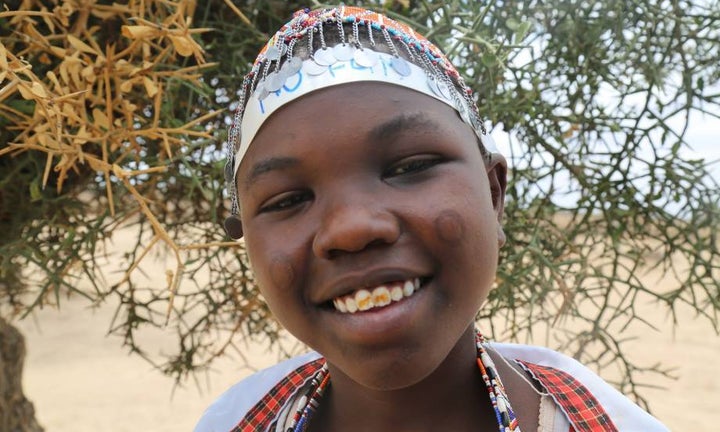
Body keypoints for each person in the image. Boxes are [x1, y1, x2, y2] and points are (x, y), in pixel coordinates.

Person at [196, 6, 668, 432]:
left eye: (410, 167)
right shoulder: (234, 419)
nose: (352, 228)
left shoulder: (604, 423)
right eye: (287, 200)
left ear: (493, 193)